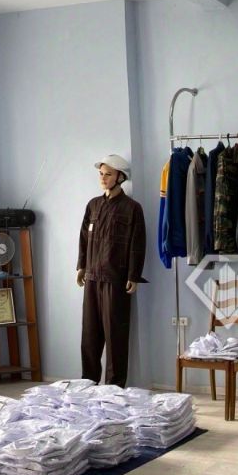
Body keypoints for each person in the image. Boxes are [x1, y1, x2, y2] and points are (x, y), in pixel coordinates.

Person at [76, 154, 147, 387]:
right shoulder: (93, 205)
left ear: (120, 177)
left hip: (116, 280)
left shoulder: (131, 208)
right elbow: (84, 238)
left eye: (108, 174)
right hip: (92, 278)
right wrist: (81, 266)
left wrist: (133, 275)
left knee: (115, 336)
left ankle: (114, 388)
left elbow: (137, 244)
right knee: (89, 335)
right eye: (101, 174)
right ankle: (88, 384)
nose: (103, 178)